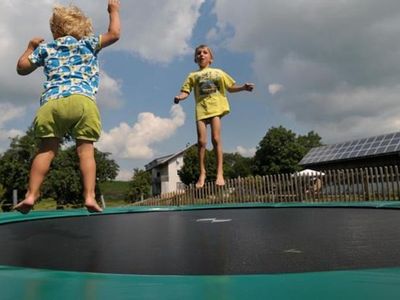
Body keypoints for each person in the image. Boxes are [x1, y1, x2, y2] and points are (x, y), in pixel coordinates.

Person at [14, 0, 121, 214]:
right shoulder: (88, 43)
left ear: (55, 30)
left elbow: (22, 69)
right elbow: (114, 34)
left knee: (46, 150)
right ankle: (89, 196)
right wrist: (113, 10)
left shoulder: (46, 49)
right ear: (83, 29)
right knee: (86, 152)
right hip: (83, 102)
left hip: (52, 104)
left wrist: (30, 48)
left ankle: (31, 195)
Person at [174, 44, 254, 188]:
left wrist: (243, 88)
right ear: (195, 58)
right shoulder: (193, 75)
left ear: (211, 58)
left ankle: (219, 173)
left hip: (216, 108)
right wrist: (180, 97)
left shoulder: (218, 72)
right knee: (201, 142)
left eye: (205, 53)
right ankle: (202, 173)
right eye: (198, 53)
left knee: (216, 139)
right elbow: (186, 91)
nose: (201, 55)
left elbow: (230, 88)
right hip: (201, 109)